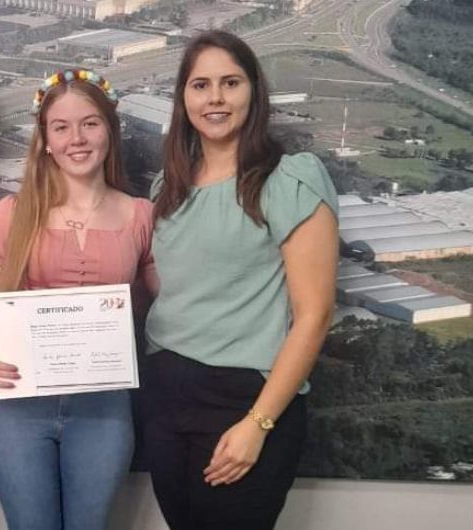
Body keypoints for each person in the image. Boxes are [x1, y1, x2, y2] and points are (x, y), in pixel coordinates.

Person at [144, 30, 339, 530]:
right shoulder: (168, 187)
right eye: (200, 85)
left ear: (253, 91)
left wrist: (258, 423)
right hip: (166, 398)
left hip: (244, 401)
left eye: (230, 83)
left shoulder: (289, 180)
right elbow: (182, 290)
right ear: (183, 98)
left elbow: (315, 316)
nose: (215, 98)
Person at [0, 69, 157, 530]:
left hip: (103, 408)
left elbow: (168, 310)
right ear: (46, 140)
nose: (77, 139)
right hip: (17, 404)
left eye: (90, 123)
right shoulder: (12, 214)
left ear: (109, 130)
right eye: (62, 127)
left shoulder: (141, 216)